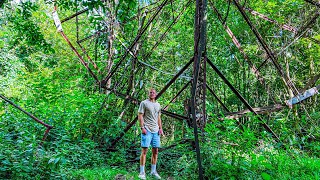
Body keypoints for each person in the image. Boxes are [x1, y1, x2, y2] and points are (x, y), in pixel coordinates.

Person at [138, 88, 164, 180]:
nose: (152, 94)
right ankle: (142, 173)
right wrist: (142, 127)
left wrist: (160, 128)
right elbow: (140, 115)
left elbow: (158, 117)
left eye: (153, 92)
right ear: (148, 94)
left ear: (156, 94)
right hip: (147, 129)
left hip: (156, 130)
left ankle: (153, 171)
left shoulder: (158, 104)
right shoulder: (144, 103)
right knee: (144, 151)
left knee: (155, 151)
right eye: (150, 92)